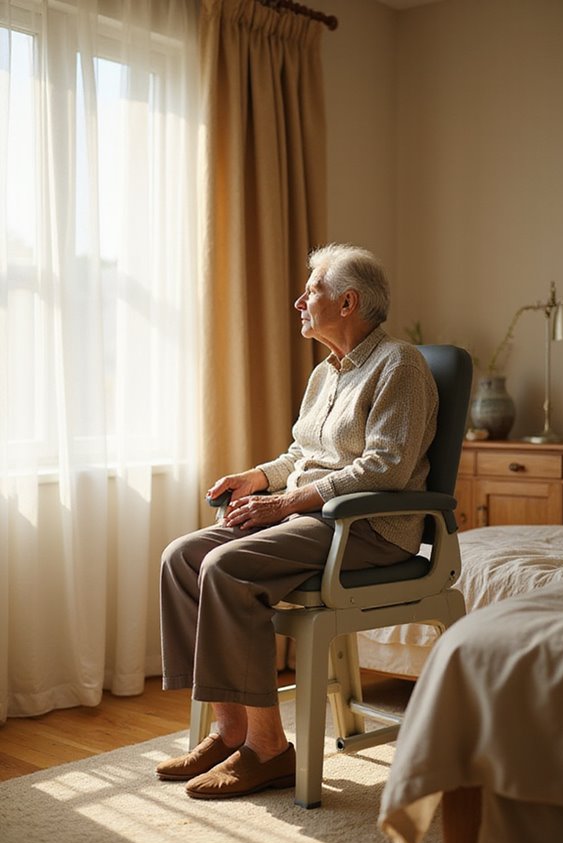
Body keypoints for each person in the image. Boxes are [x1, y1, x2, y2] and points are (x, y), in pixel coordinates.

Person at [156, 243, 438, 800]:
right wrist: (259, 478)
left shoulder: (399, 365)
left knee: (226, 567)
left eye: (311, 291)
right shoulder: (324, 375)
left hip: (369, 528)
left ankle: (268, 750)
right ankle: (230, 730)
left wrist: (286, 503)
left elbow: (386, 467)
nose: (298, 302)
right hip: (312, 515)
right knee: (181, 558)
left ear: (348, 302)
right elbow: (300, 455)